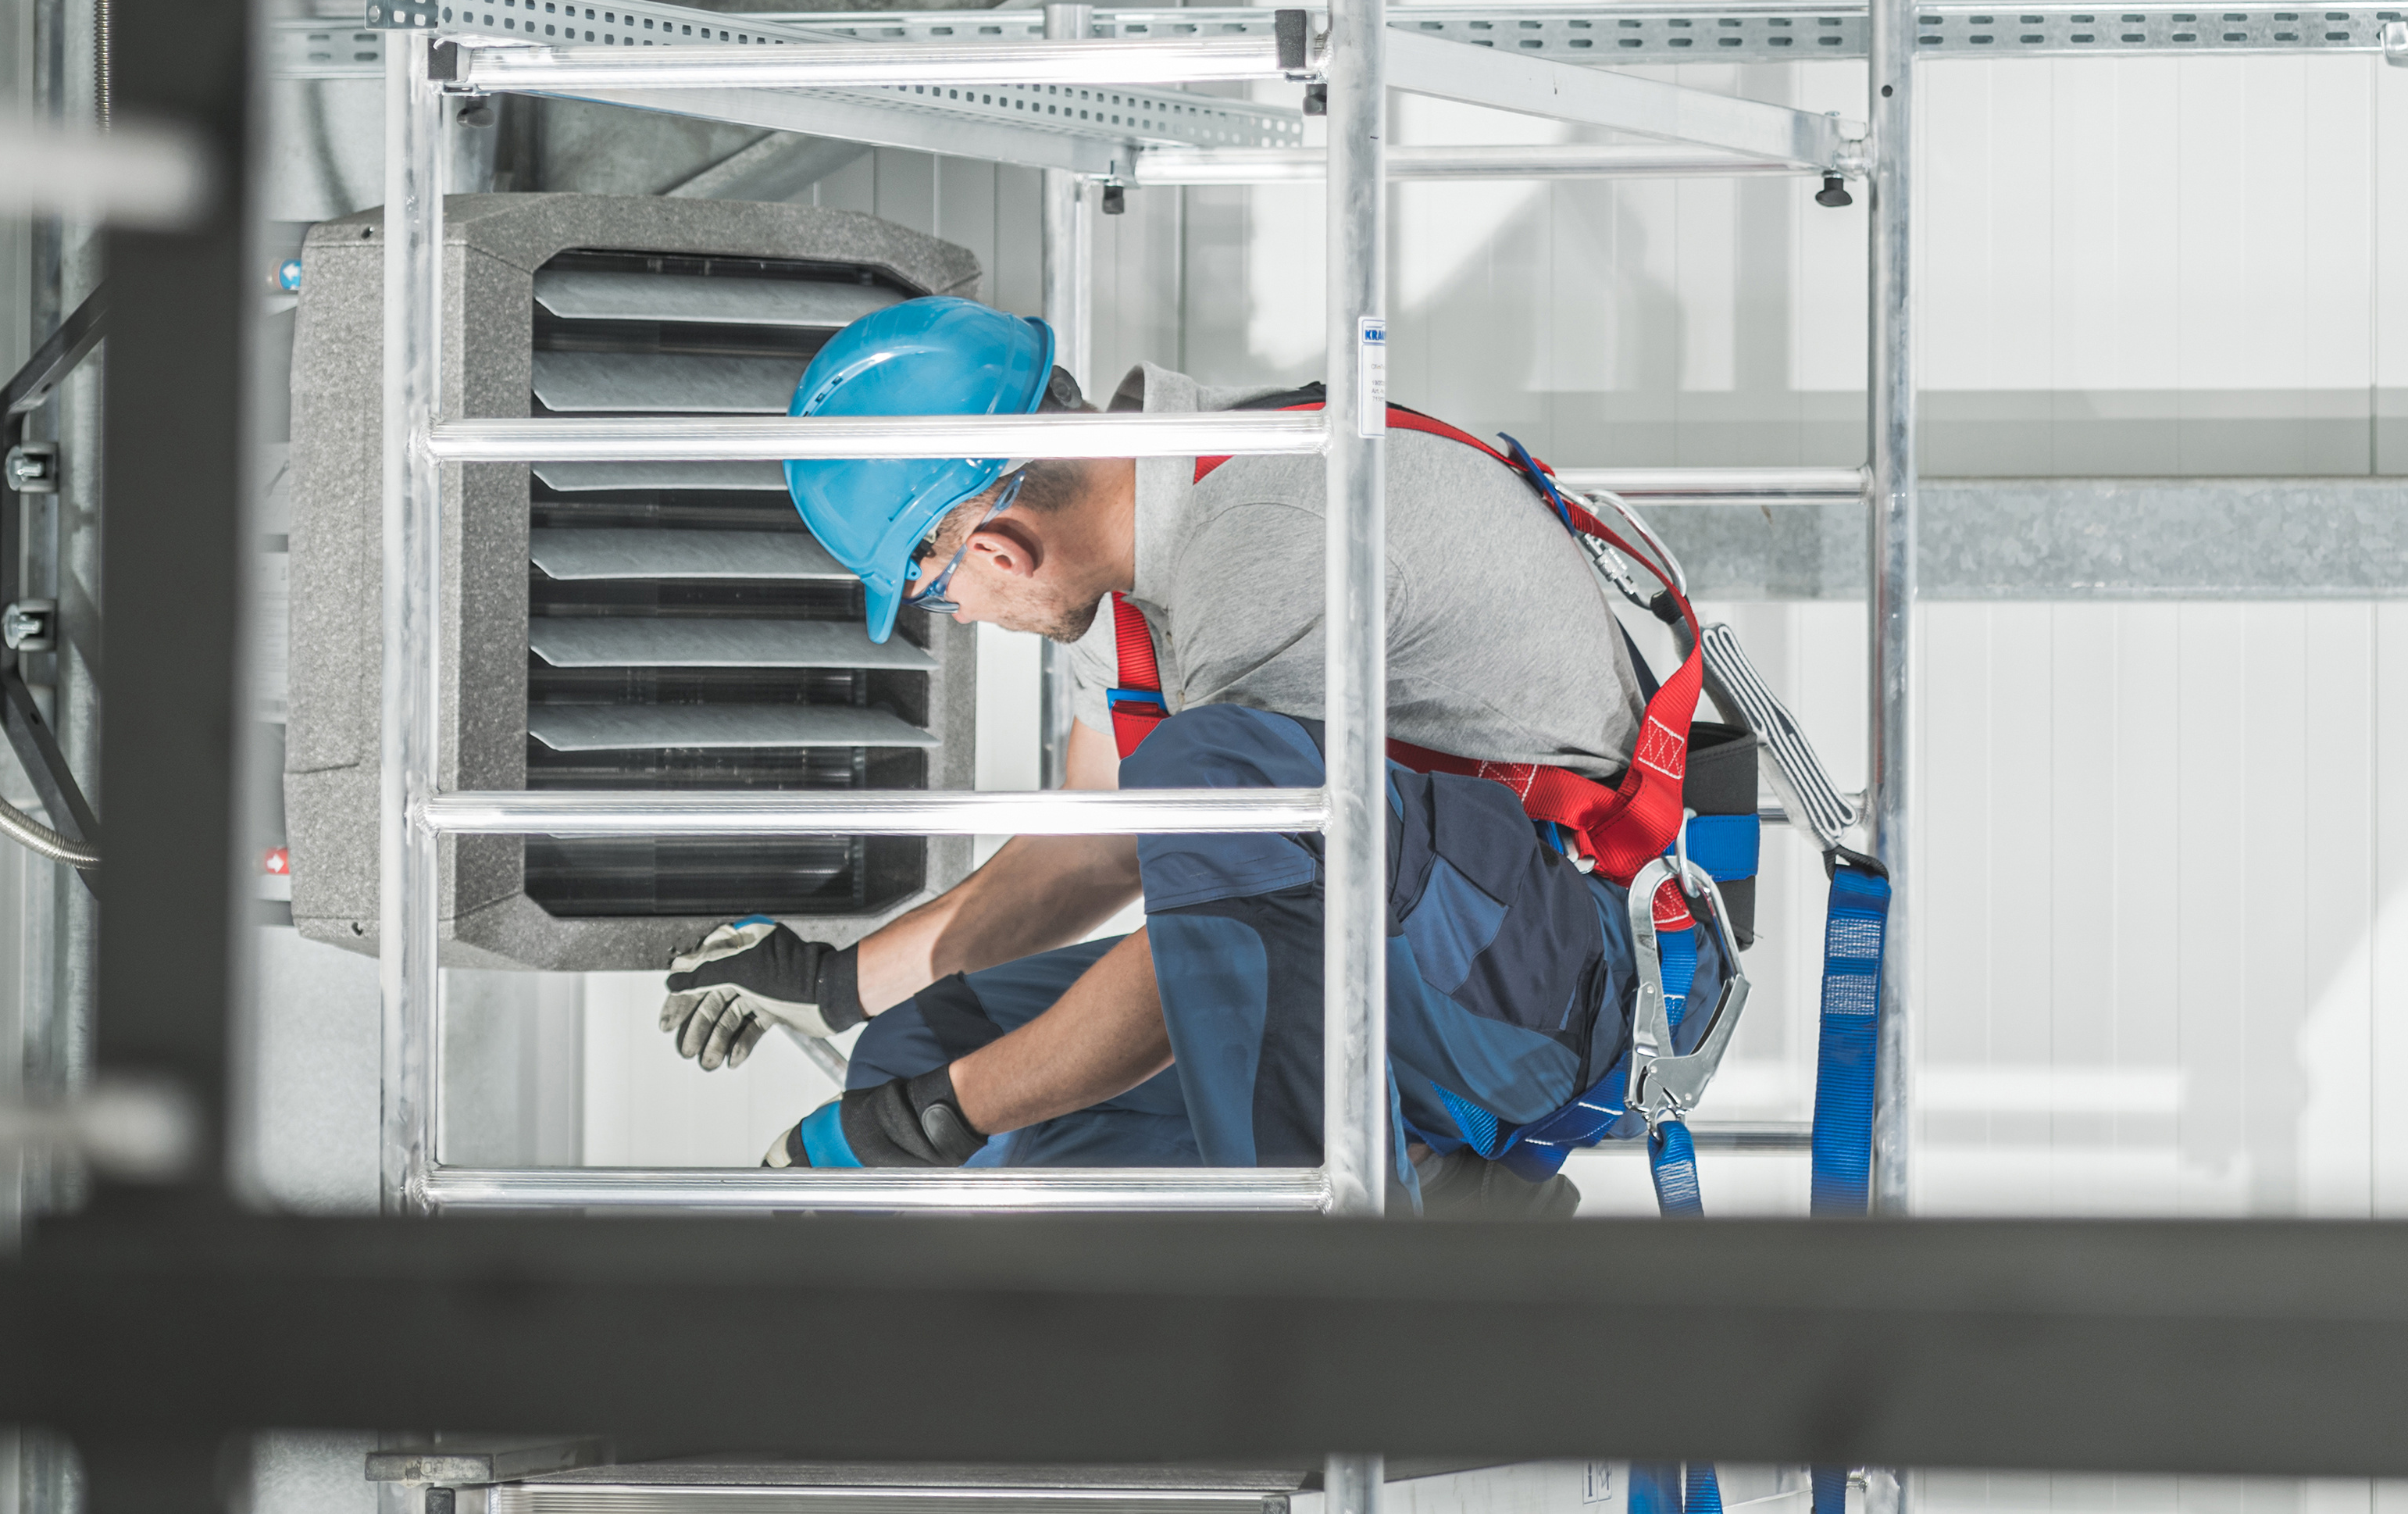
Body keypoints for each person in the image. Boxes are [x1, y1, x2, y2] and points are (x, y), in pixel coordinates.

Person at [656, 294, 1666, 1202]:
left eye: (934, 592)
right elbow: (1099, 849)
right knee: (929, 1044)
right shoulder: (1139, 565)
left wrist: (931, 1118)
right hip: (1431, 950)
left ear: (998, 549)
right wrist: (836, 986)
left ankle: (1358, 1274)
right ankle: (1427, 1221)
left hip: (1577, 974)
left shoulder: (1271, 532)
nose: (956, 615)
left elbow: (1245, 896)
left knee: (1203, 789)